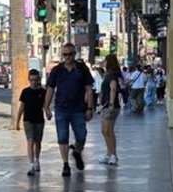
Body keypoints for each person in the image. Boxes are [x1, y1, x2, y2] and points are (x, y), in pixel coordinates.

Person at [44, 43, 95, 178]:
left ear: (74, 54)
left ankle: (77, 152)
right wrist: (46, 107)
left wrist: (90, 108)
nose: (67, 57)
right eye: (64, 54)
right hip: (61, 109)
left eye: (70, 54)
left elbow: (89, 89)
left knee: (82, 136)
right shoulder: (56, 70)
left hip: (78, 109)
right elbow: (50, 89)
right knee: (62, 138)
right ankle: (65, 164)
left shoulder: (82, 69)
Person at [16, 67, 47, 175]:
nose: (33, 82)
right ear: (29, 80)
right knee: (30, 140)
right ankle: (31, 164)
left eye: (35, 79)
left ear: (38, 79)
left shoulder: (43, 92)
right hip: (28, 120)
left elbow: (45, 105)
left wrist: (47, 112)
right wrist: (17, 121)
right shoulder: (25, 92)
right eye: (31, 80)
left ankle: (37, 159)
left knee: (37, 142)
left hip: (39, 119)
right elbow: (21, 107)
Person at [99, 52, 123, 166]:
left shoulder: (111, 75)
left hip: (109, 106)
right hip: (106, 105)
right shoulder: (110, 74)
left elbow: (113, 88)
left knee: (108, 131)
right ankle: (109, 154)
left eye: (105, 60)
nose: (104, 62)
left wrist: (111, 104)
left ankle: (113, 154)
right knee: (105, 131)